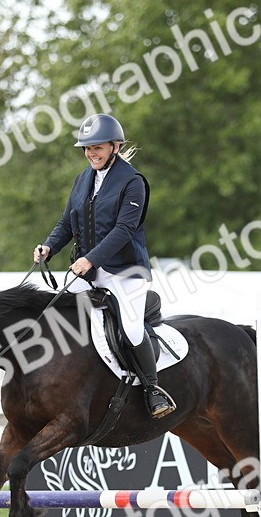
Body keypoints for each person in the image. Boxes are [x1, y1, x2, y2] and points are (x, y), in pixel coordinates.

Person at [33, 113, 175, 419]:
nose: (91, 153)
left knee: (131, 330)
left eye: (97, 147)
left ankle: (153, 390)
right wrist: (49, 247)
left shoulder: (133, 181)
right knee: (62, 318)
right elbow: (66, 223)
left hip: (125, 273)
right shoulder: (82, 180)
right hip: (90, 272)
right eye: (87, 148)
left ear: (115, 146)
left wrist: (90, 259)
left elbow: (124, 230)